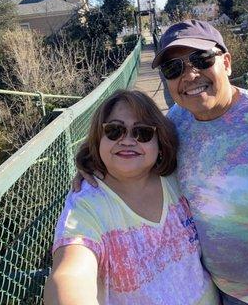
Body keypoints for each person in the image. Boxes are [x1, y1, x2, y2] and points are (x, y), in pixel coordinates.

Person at [76, 20, 248, 305]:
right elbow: (135, 153)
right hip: (219, 293)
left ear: (226, 63)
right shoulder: (174, 123)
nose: (189, 75)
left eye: (201, 59)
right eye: (173, 69)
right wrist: (92, 163)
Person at [44, 90, 219, 305]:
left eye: (142, 133)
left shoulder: (177, 178)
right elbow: (69, 273)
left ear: (159, 142)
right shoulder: (86, 206)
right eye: (114, 131)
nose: (127, 141)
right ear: (99, 138)